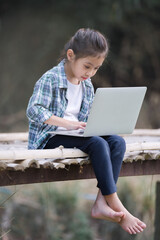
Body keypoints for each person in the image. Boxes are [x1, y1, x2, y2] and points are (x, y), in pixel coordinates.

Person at [26, 28, 146, 235]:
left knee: (117, 142)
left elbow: (86, 117)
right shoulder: (51, 78)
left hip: (76, 135)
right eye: (87, 66)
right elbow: (34, 110)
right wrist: (66, 124)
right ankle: (116, 204)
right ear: (71, 56)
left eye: (96, 68)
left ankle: (101, 202)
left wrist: (103, 123)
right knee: (98, 143)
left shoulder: (87, 85)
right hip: (50, 137)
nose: (90, 73)